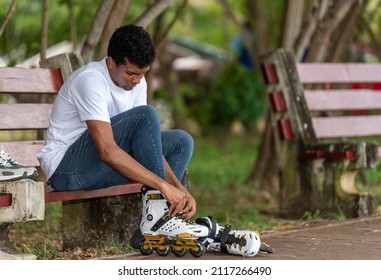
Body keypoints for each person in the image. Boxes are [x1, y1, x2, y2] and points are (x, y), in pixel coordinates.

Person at [36, 24, 265, 257]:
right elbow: (106, 150)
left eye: (142, 74)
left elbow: (149, 147)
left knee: (180, 141)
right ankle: (158, 216)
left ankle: (161, 218)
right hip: (66, 170)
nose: (136, 81)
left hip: (98, 167)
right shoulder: (91, 80)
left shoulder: (137, 82)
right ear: (112, 61)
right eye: (131, 73)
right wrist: (163, 186)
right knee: (146, 116)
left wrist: (179, 189)